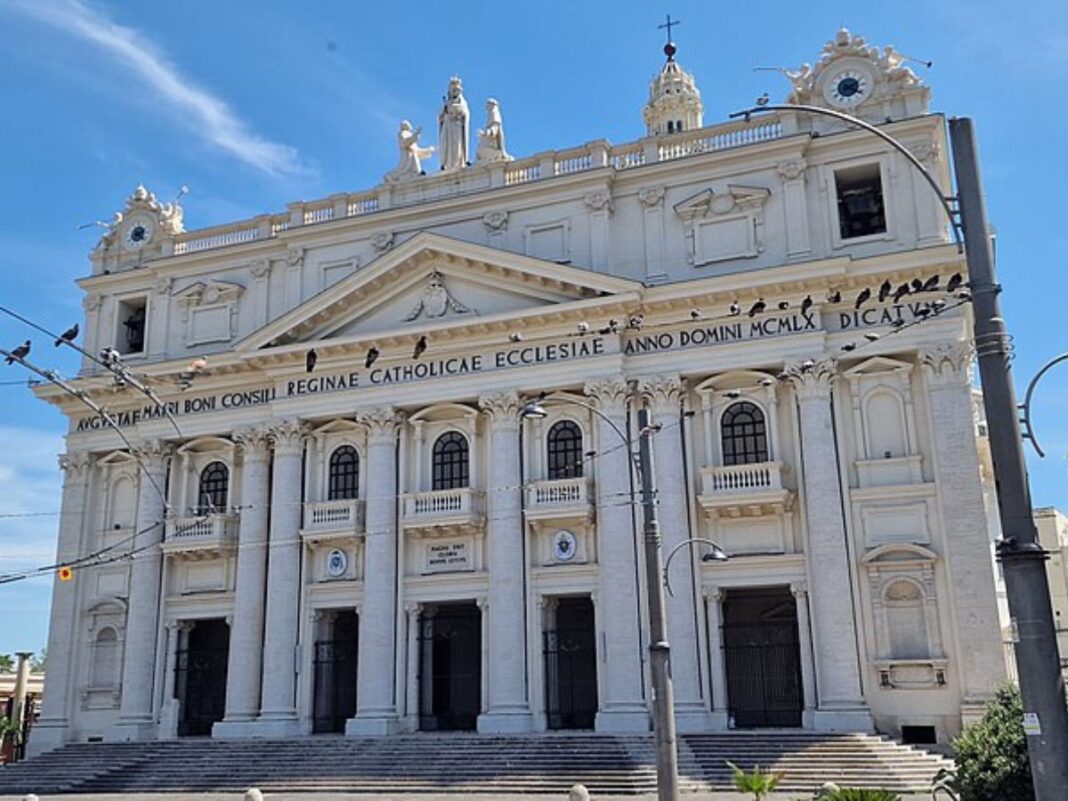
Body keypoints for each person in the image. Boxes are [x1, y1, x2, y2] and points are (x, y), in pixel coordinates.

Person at [438, 76, 470, 172]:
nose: (454, 92)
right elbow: (440, 117)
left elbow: (464, 113)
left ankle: (457, 164)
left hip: (457, 127)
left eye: (456, 90)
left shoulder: (462, 102)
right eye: (452, 90)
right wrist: (444, 110)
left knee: (457, 147)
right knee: (446, 147)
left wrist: (456, 110)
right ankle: (446, 164)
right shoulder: (446, 103)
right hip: (447, 127)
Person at [475, 98, 513, 164]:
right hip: (489, 140)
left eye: (488, 105)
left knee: (481, 149)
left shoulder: (494, 114)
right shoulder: (491, 114)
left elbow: (494, 130)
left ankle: (497, 155)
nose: (486, 107)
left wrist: (484, 133)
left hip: (492, 142)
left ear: (492, 105)